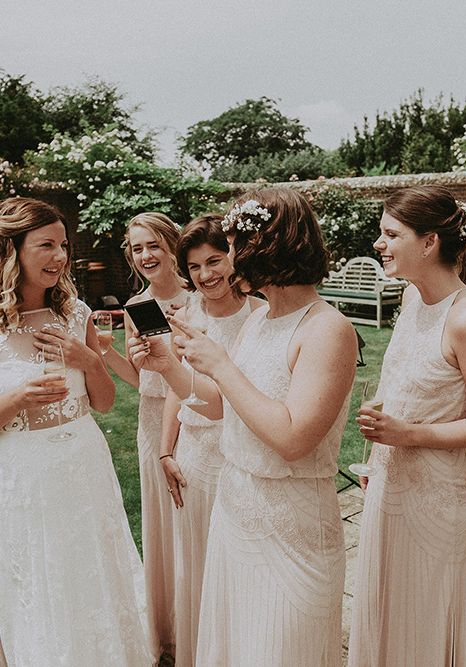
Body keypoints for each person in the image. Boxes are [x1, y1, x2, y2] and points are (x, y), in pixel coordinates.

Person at [130, 189, 358, 665]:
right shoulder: (262, 322)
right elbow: (220, 407)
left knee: (279, 648)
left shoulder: (326, 328)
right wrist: (168, 364)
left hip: (291, 523)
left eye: (233, 244)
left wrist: (221, 365)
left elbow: (294, 438)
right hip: (236, 514)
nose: (227, 260)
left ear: (265, 245)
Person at [348, 185, 466, 666]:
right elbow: (409, 384)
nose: (379, 244)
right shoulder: (415, 300)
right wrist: (381, 445)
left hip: (438, 501)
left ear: (428, 243)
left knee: (428, 618)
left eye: (390, 234)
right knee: (392, 614)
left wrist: (408, 435)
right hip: (392, 487)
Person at [0, 197, 153, 666]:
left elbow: (105, 403)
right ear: (12, 252)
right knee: (42, 573)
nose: (61, 257)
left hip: (83, 458)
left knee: (89, 565)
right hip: (24, 471)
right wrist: (19, 399)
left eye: (63, 244)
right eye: (46, 245)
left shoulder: (76, 313)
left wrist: (87, 360)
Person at [158, 213, 265, 667]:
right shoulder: (185, 315)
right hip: (195, 453)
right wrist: (166, 450)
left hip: (241, 449)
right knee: (197, 560)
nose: (206, 275)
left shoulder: (259, 314)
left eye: (215, 261)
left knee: (242, 561)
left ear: (235, 258)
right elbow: (174, 389)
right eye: (196, 267)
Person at [102, 212, 186, 659]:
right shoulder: (136, 305)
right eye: (137, 248)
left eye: (153, 244)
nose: (146, 255)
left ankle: (198, 622)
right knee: (161, 526)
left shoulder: (200, 296)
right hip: (151, 422)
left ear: (172, 245)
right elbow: (142, 380)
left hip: (193, 419)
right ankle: (168, 632)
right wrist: (113, 354)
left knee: (191, 518)